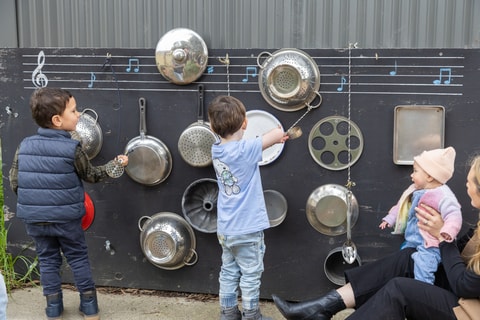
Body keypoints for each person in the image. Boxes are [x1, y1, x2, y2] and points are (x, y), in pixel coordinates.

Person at [272, 154, 480, 320]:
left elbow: (465, 285)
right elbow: (460, 252)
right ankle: (323, 306)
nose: (466, 186)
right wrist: (439, 235)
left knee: (399, 290)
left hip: (469, 310)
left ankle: (319, 310)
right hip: (464, 293)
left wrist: (443, 236)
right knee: (408, 256)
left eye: (470, 182)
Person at [8, 88, 128, 320]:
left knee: (47, 259)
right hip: (67, 219)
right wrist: (117, 164)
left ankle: (53, 308)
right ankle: (90, 307)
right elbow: (92, 175)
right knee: (78, 257)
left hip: (36, 219)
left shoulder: (24, 145)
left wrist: (36, 201)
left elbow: (15, 181)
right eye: (73, 111)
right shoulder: (72, 148)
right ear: (57, 120)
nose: (79, 114)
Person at [208, 95, 289, 320]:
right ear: (244, 123)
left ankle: (228, 313)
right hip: (247, 229)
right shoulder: (245, 150)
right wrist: (276, 137)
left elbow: (264, 141)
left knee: (229, 272)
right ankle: (252, 315)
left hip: (226, 229)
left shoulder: (217, 150)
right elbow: (276, 132)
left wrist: (271, 140)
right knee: (251, 274)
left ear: (213, 127)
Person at [379, 147, 462, 284]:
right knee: (401, 261)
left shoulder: (442, 195)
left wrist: (448, 231)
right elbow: (401, 206)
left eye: (415, 171)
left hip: (430, 244)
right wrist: (390, 218)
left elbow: (454, 215)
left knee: (424, 267)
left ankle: (422, 289)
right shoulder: (414, 189)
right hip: (412, 240)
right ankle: (403, 288)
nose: (411, 175)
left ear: (429, 176)